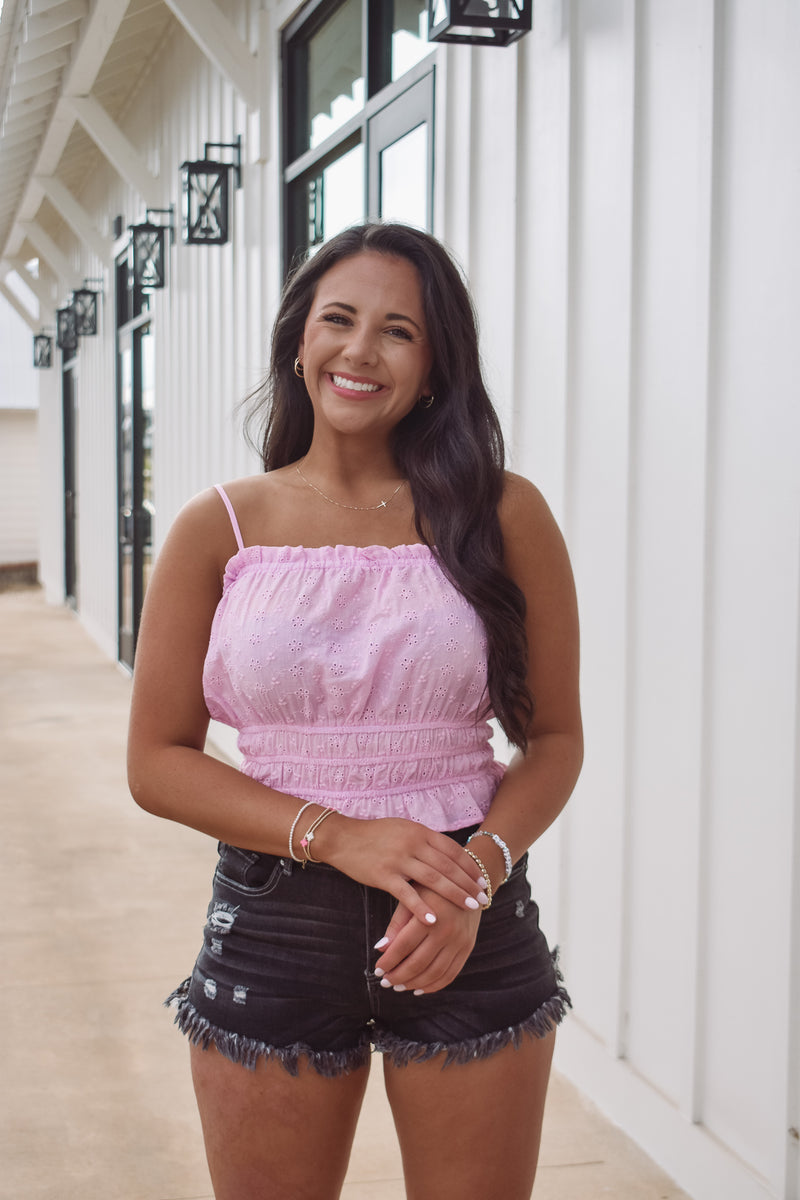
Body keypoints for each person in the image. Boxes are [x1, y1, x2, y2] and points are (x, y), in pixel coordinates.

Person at [127, 221, 583, 1200]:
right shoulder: (221, 527)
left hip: (462, 906)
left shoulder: (503, 514)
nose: (359, 350)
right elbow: (156, 760)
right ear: (300, 339)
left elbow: (553, 738)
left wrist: (475, 877)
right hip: (274, 916)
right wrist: (336, 836)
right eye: (338, 319)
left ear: (433, 366)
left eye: (397, 332)